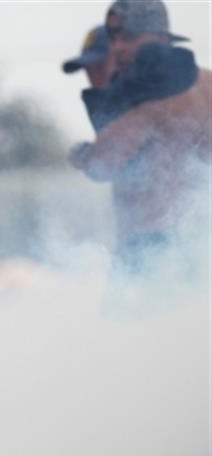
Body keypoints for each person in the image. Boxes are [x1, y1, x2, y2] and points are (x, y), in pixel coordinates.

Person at [69, 0, 211, 270]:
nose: (118, 47)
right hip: (197, 244)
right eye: (113, 37)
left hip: (154, 247)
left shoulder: (150, 101)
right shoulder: (206, 85)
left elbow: (102, 165)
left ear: (159, 36)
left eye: (129, 36)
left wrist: (83, 155)